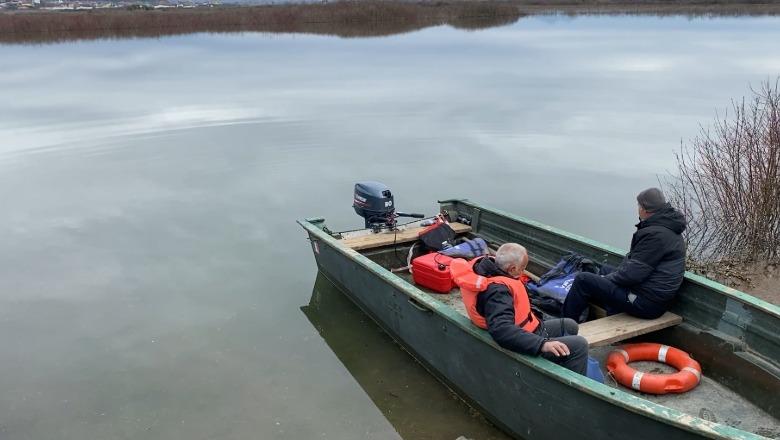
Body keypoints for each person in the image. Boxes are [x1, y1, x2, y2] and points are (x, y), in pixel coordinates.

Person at [451, 243, 588, 375]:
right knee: (579, 345)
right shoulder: (498, 292)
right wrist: (542, 344)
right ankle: (571, 386)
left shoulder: (493, 270)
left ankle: (558, 365)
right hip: (521, 341)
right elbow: (502, 330)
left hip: (530, 330)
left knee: (570, 325)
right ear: (512, 269)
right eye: (522, 268)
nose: (523, 272)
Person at [562, 188, 687, 322]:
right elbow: (637, 269)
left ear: (645, 209)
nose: (638, 208)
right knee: (603, 269)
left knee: (583, 280)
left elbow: (632, 275)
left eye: (639, 205)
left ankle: (565, 326)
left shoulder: (656, 236)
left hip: (646, 303)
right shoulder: (668, 228)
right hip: (652, 295)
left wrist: (605, 279)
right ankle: (607, 309)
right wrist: (605, 277)